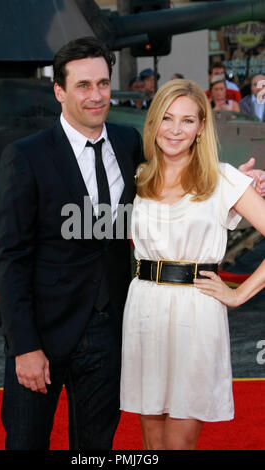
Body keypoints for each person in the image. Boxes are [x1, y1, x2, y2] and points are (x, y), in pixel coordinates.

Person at [0, 36, 143, 450]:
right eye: (83, 85)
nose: (96, 96)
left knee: (95, 450)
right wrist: (24, 347)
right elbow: (9, 257)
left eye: (103, 83)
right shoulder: (25, 156)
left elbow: (181, 173)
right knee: (26, 443)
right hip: (41, 333)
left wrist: (239, 182)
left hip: (108, 332)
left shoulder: (130, 143)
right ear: (59, 91)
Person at [120, 78, 265, 450]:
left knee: (179, 442)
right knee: (151, 442)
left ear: (201, 127)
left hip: (196, 312)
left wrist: (239, 294)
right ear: (153, 123)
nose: (175, 130)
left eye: (187, 121)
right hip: (144, 308)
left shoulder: (223, 178)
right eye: (167, 118)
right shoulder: (136, 178)